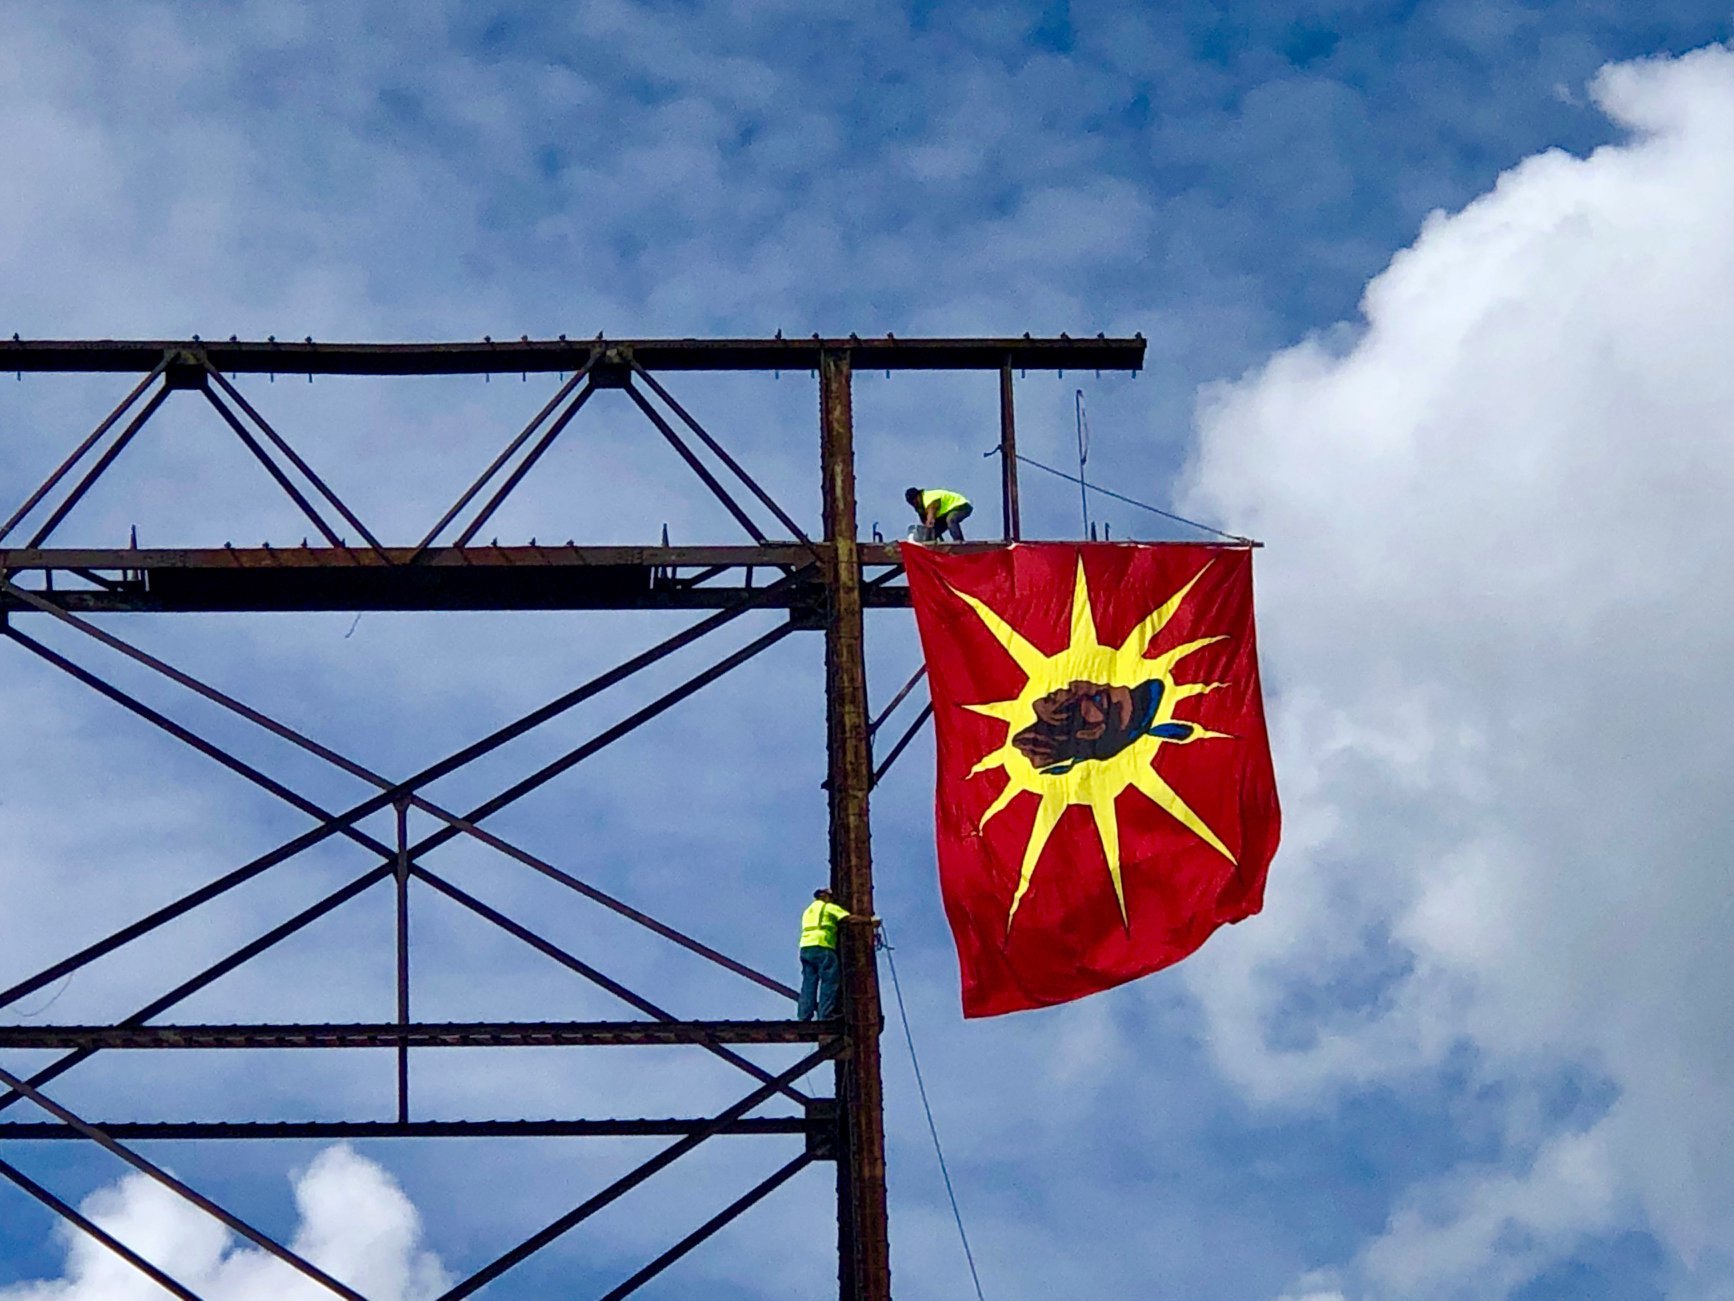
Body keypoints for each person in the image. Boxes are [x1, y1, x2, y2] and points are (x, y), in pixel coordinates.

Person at [796, 888, 874, 1020]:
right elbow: (849, 919)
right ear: (825, 896)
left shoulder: (808, 911)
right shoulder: (828, 907)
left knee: (809, 982)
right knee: (830, 980)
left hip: (806, 947)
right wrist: (869, 921)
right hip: (822, 945)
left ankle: (804, 1015)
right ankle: (826, 1015)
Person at [905, 487, 972, 542]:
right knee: (932, 532)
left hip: (961, 506)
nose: (914, 504)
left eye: (914, 501)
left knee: (951, 519)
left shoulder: (927, 497)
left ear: (918, 496)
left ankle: (959, 541)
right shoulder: (920, 508)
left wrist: (930, 521)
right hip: (945, 514)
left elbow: (932, 509)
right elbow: (925, 523)